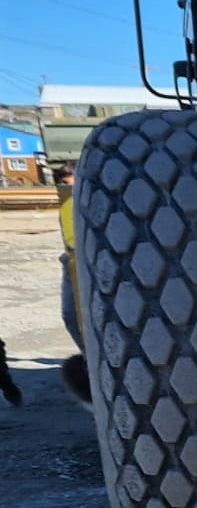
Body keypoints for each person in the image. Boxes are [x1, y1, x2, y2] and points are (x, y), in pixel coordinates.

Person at [55, 164, 92, 405]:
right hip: (72, 261)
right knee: (71, 317)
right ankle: (92, 361)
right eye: (64, 185)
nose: (69, 189)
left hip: (91, 259)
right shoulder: (67, 204)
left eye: (73, 184)